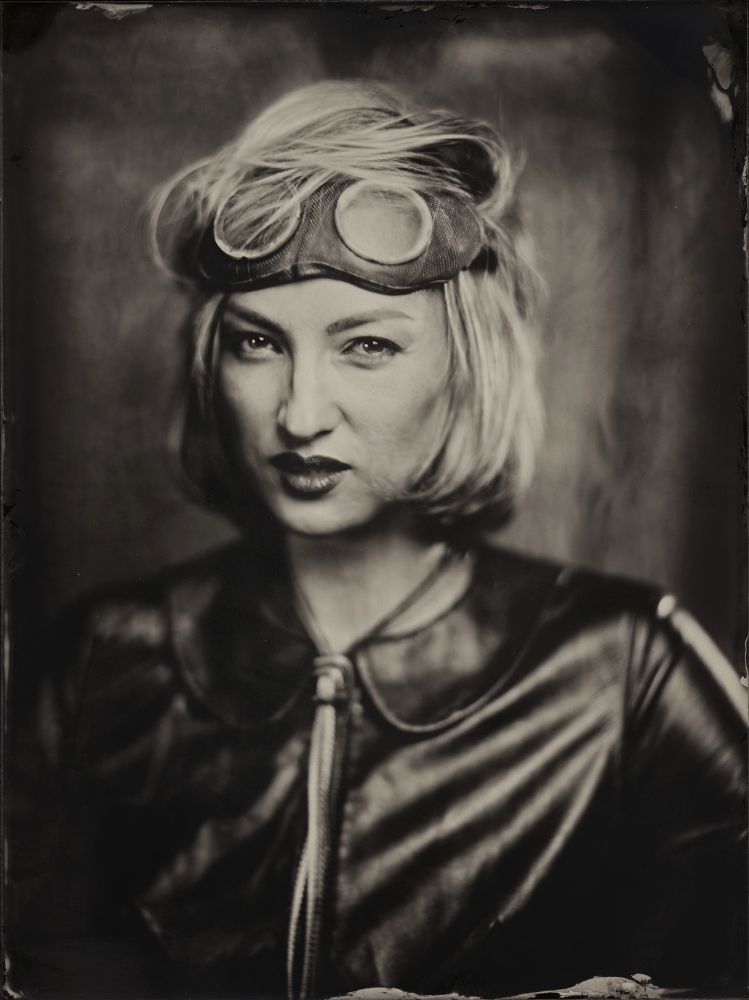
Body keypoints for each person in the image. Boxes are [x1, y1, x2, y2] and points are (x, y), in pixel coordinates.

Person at [9, 80, 746, 1000]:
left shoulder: (626, 669)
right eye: (257, 343)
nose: (299, 414)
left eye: (367, 346)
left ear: (466, 367)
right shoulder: (99, 662)